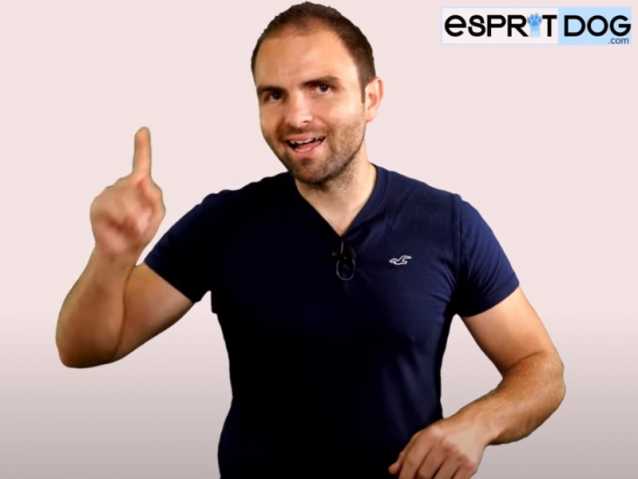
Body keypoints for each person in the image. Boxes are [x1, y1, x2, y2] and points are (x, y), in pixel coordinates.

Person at [55, 2, 566, 478]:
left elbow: (541, 368)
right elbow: (87, 347)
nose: (296, 116)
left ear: (371, 98)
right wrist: (112, 255)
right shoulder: (223, 223)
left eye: (321, 87)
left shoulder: (447, 223)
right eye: (274, 94)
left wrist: (478, 423)